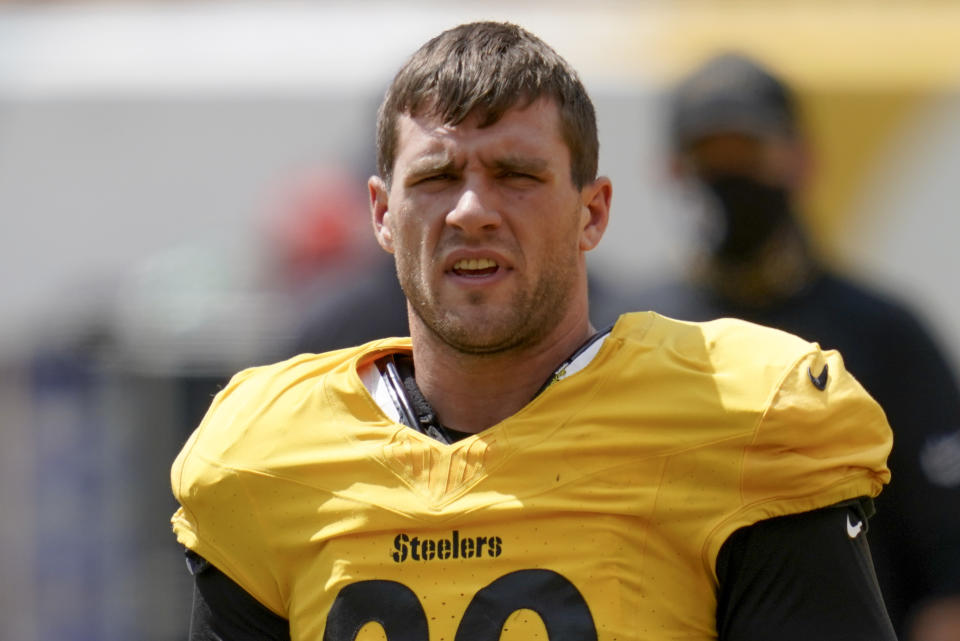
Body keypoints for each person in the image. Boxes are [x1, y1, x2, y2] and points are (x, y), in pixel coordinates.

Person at [170, 23, 897, 640]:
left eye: (515, 173)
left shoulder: (741, 418)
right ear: (382, 213)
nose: (470, 210)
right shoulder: (269, 453)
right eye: (434, 177)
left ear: (593, 212)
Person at [636, 52, 960, 639]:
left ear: (801, 160)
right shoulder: (634, 334)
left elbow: (949, 575)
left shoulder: (886, 335)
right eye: (712, 156)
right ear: (674, 169)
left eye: (748, 154)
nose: (729, 175)